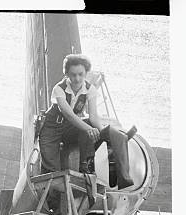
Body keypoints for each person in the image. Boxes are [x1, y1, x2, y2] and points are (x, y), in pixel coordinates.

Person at [38, 54, 134, 189]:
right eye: (73, 75)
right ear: (66, 74)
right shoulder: (58, 89)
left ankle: (86, 166)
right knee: (50, 167)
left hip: (70, 127)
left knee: (100, 129)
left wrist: (102, 132)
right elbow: (69, 115)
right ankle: (52, 199)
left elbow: (94, 116)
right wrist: (88, 129)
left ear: (86, 73)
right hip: (51, 128)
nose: (77, 79)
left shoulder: (90, 89)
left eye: (80, 74)